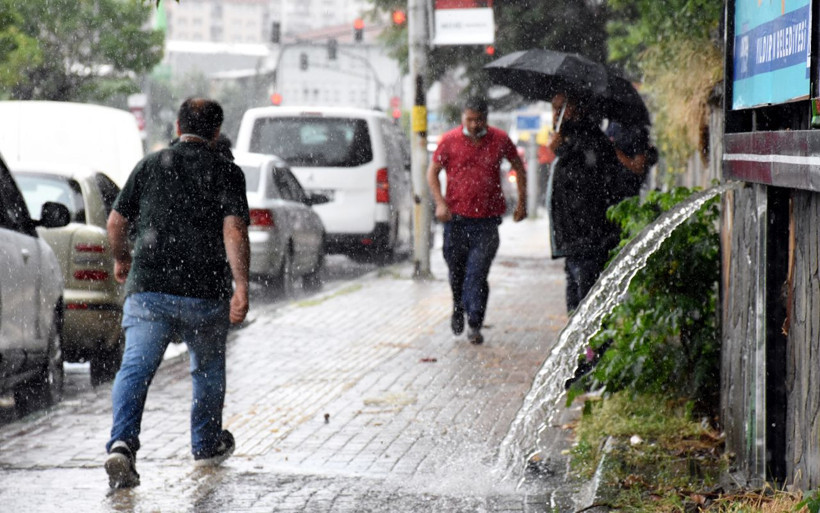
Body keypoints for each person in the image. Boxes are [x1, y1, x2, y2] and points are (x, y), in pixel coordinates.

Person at [103, 98, 250, 489]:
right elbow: (234, 231)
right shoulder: (227, 172)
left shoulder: (151, 165)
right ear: (216, 132)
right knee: (206, 370)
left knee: (136, 367)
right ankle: (205, 445)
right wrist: (242, 286)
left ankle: (122, 444)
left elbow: (116, 222)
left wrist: (122, 259)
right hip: (205, 292)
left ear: (178, 124)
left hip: (149, 289)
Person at [427, 96, 527, 345]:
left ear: (486, 119)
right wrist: (440, 202)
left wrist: (523, 202)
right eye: (469, 120)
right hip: (456, 220)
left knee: (477, 273)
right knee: (457, 273)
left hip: (487, 222)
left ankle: (475, 322)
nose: (474, 124)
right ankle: (458, 306)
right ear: (463, 117)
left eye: (479, 120)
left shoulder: (500, 139)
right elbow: (432, 172)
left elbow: (519, 167)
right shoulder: (449, 141)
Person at [547, 93, 636, 313]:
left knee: (587, 303)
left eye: (562, 108)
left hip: (589, 238)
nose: (556, 115)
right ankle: (584, 347)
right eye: (554, 109)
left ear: (579, 109)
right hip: (574, 240)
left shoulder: (589, 139)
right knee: (576, 301)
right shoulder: (570, 138)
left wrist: (561, 150)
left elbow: (584, 185)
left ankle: (594, 348)